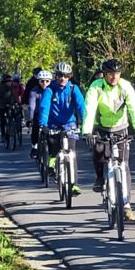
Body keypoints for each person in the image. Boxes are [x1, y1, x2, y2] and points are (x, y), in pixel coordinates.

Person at [82, 58, 135, 221]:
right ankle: (100, 178)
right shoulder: (96, 87)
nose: (114, 77)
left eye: (117, 73)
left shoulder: (125, 86)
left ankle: (126, 205)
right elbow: (89, 109)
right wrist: (87, 132)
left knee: (123, 166)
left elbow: (134, 107)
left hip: (121, 128)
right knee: (98, 152)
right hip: (101, 128)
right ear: (104, 74)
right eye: (110, 74)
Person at [38, 62, 86, 194]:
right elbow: (44, 107)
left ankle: (74, 184)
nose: (62, 78)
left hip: (70, 124)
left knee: (72, 153)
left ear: (69, 76)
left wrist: (86, 124)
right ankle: (52, 161)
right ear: (56, 76)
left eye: (66, 76)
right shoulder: (50, 90)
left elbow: (81, 107)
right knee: (54, 145)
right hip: (53, 123)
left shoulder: (73, 89)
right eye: (59, 75)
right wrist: (43, 124)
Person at [27, 70, 53, 158]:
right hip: (38, 114)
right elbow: (32, 106)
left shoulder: (53, 90)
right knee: (35, 129)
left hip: (51, 115)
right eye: (42, 81)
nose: (44, 83)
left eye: (47, 81)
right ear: (38, 81)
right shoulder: (34, 91)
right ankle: (34, 147)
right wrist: (30, 118)